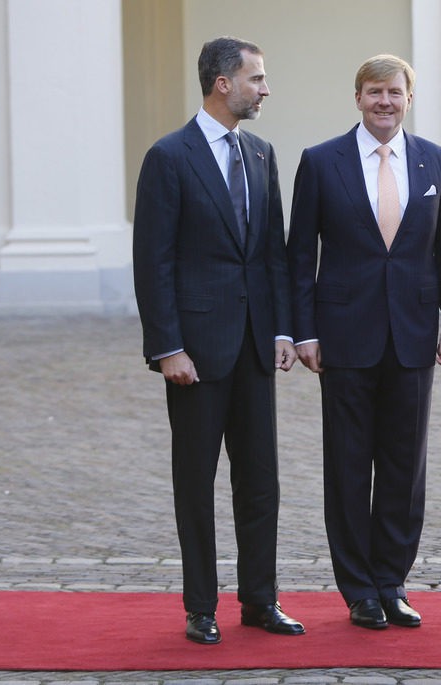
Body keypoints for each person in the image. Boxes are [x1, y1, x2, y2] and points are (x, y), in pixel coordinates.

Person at [286, 54, 441, 630]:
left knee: (403, 466)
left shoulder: (436, 161)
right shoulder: (320, 163)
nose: (384, 101)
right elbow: (298, 257)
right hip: (342, 337)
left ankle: (392, 580)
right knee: (347, 463)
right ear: (358, 97)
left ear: (408, 98)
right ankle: (358, 588)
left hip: (413, 335)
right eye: (373, 92)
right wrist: (305, 330)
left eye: (394, 92)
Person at [132, 37, 304, 645]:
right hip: (196, 355)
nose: (265, 88)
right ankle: (200, 607)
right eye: (256, 78)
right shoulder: (169, 157)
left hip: (257, 347)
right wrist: (167, 346)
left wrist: (283, 329)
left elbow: (274, 256)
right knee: (195, 482)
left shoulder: (260, 154)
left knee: (260, 482)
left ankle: (260, 600)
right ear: (222, 84)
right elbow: (152, 262)